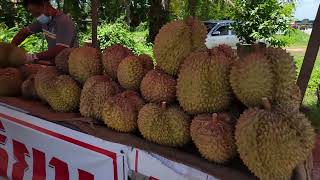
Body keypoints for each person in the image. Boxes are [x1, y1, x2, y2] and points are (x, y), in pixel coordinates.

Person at [12, 0, 79, 64]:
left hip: (69, 64)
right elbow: (24, 32)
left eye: (38, 13)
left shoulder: (64, 22)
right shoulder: (43, 21)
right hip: (54, 61)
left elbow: (61, 49)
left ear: (46, 5)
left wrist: (32, 57)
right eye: (34, 14)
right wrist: (10, 48)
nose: (37, 17)